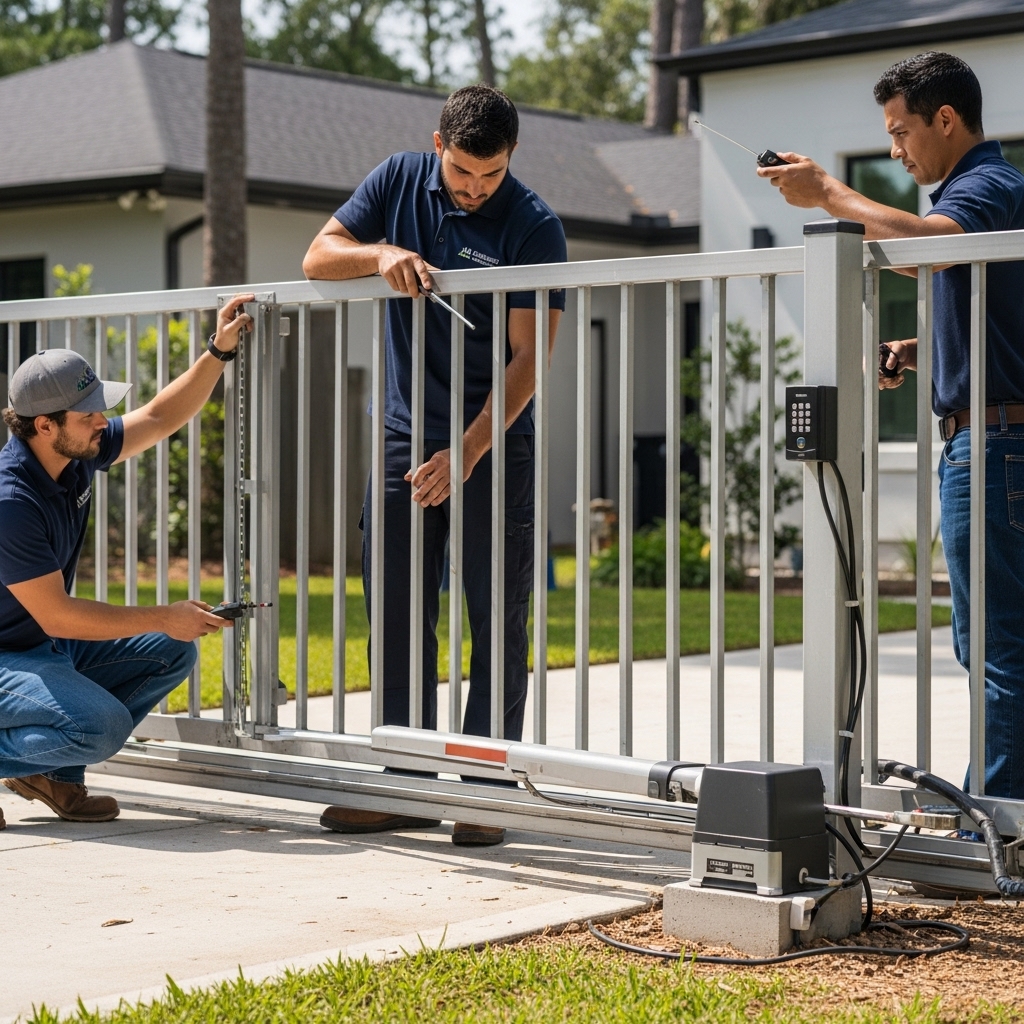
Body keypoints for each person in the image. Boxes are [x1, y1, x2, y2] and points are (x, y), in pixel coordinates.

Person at [303, 85, 566, 845]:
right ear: (437, 145)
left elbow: (527, 361)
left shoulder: (534, 224)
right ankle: (405, 785)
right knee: (395, 609)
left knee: (495, 617)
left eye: (491, 175)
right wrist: (379, 252)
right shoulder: (395, 180)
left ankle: (485, 792)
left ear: (511, 157)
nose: (476, 189)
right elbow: (319, 256)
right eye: (462, 174)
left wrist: (469, 451)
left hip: (493, 441)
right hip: (402, 437)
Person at [758, 51, 1024, 797]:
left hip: (995, 444)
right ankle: (999, 814)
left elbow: (932, 247)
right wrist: (916, 348)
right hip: (990, 438)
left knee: (998, 649)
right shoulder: (981, 199)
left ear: (946, 119)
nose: (896, 150)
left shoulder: (988, 185)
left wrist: (830, 194)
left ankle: (996, 827)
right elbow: (964, 278)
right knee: (992, 646)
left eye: (901, 132)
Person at [0, 296, 254, 830]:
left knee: (169, 651)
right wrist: (162, 613)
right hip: (11, 653)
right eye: (89, 413)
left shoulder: (73, 454)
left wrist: (217, 351)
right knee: (101, 727)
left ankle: (54, 777)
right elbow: (58, 615)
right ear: (43, 425)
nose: (103, 421)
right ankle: (42, 764)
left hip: (38, 647)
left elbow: (160, 417)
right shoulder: (11, 501)